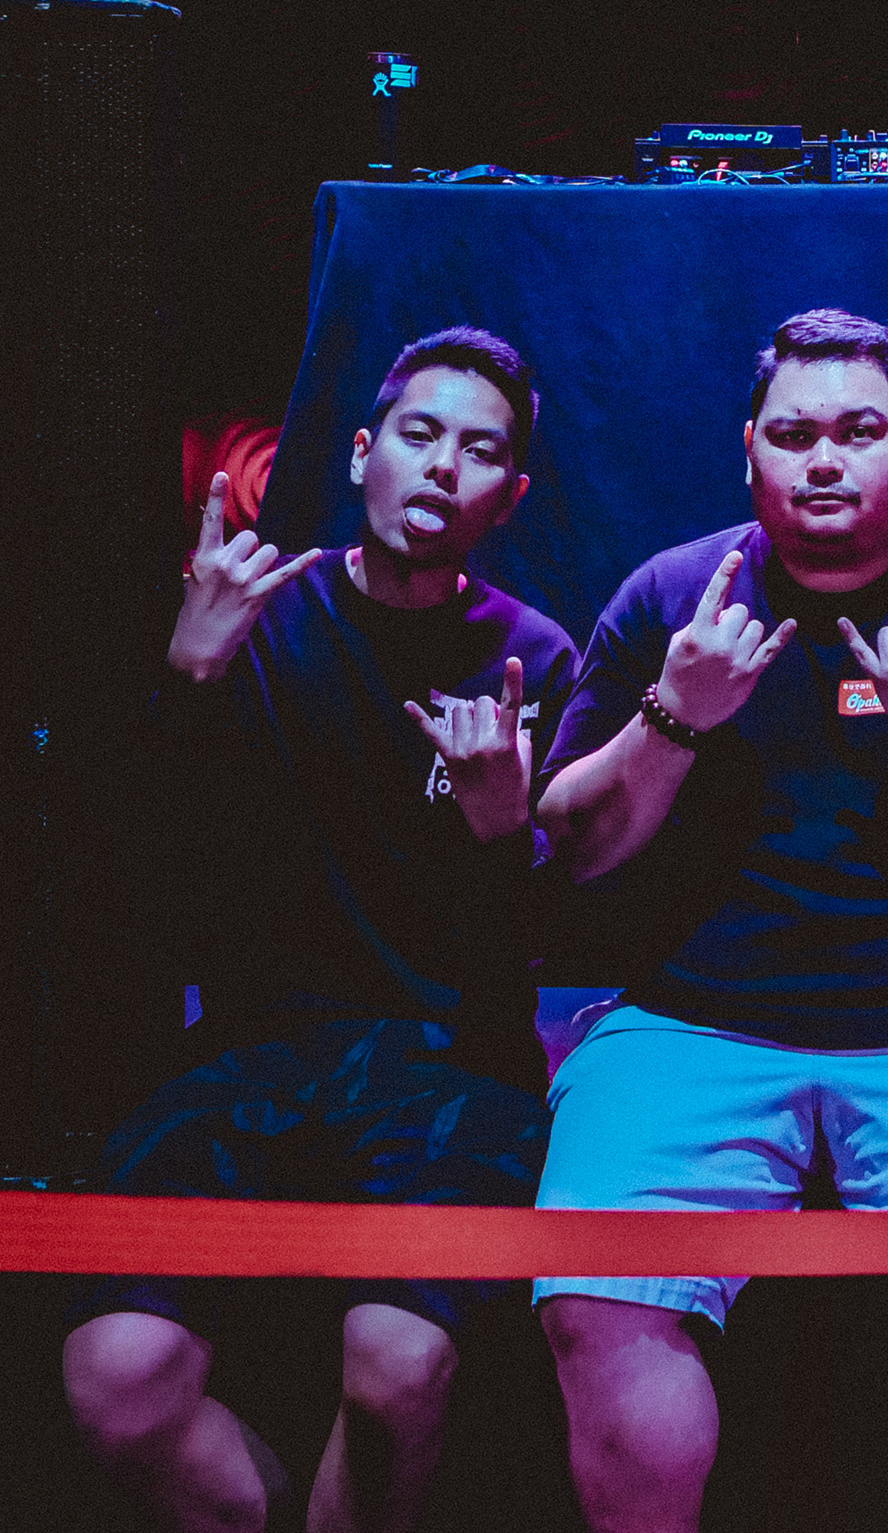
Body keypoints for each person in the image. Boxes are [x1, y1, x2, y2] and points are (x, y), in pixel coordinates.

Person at [534, 307, 888, 1533]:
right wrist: (675, 716)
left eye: (857, 431)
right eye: (793, 434)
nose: (825, 459)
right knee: (599, 1303)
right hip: (688, 1023)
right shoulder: (672, 597)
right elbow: (569, 850)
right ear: (750, 450)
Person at [63, 326, 578, 1533]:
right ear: (360, 453)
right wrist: (187, 677)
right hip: (252, 1053)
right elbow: (135, 883)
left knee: (398, 1364)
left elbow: (542, 942)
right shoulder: (253, 616)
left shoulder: (531, 658)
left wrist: (504, 831)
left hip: (448, 1062)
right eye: (419, 433)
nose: (442, 465)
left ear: (510, 495)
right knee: (115, 1379)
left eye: (479, 450)